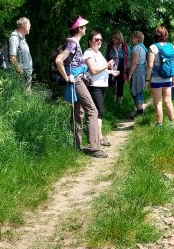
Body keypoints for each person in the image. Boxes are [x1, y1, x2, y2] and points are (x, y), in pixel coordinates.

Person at [54, 16, 107, 158]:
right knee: (93, 110)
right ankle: (94, 147)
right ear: (79, 29)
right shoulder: (72, 43)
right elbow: (59, 60)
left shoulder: (74, 42)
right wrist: (67, 77)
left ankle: (77, 145)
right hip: (76, 80)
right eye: (83, 26)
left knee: (78, 113)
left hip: (78, 80)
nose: (85, 28)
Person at [83, 31, 119, 147]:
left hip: (101, 85)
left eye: (100, 39)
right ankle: (99, 138)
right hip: (94, 86)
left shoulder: (98, 53)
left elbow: (100, 69)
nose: (99, 41)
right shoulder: (89, 53)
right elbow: (93, 70)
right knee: (99, 112)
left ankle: (98, 136)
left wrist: (111, 71)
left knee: (99, 112)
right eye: (96, 39)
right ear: (90, 41)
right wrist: (107, 65)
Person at [145, 26, 174, 127]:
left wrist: (147, 79)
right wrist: (173, 78)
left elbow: (150, 65)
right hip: (168, 77)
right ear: (166, 35)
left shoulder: (153, 47)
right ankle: (172, 123)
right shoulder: (172, 46)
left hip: (156, 79)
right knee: (168, 101)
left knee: (158, 102)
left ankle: (159, 125)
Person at [126, 31, 148, 118]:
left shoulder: (136, 48)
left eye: (133, 37)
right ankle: (140, 110)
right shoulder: (143, 47)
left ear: (138, 38)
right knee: (139, 90)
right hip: (142, 70)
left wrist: (130, 74)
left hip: (137, 71)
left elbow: (134, 62)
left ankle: (139, 111)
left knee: (136, 90)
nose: (131, 39)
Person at [8, 17, 33, 91]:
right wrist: (21, 72)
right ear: (24, 26)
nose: (30, 26)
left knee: (26, 99)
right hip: (21, 76)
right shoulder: (15, 38)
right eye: (29, 25)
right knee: (22, 97)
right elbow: (12, 57)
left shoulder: (22, 38)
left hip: (26, 75)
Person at [106, 31, 129, 106]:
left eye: (116, 38)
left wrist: (128, 71)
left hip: (122, 69)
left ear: (120, 38)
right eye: (113, 38)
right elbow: (107, 57)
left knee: (120, 86)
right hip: (111, 69)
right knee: (111, 85)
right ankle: (112, 103)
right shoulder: (110, 46)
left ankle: (119, 104)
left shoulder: (125, 47)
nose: (114, 40)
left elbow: (129, 58)